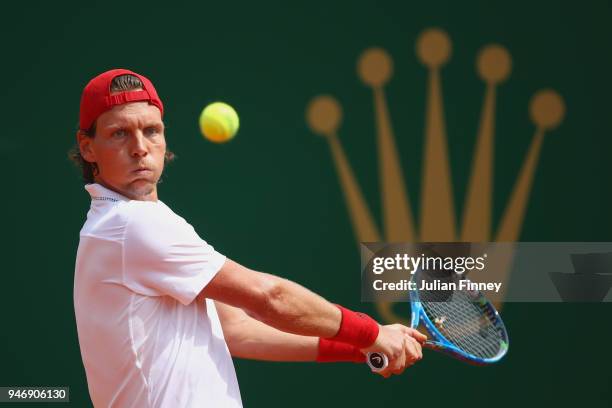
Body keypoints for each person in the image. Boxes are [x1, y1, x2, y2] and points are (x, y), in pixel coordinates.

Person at [71, 68, 425, 408]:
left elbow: (236, 329)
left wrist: (359, 346)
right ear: (88, 148)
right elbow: (268, 297)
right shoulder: (132, 225)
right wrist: (370, 332)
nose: (140, 147)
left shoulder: (125, 224)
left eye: (151, 130)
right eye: (119, 133)